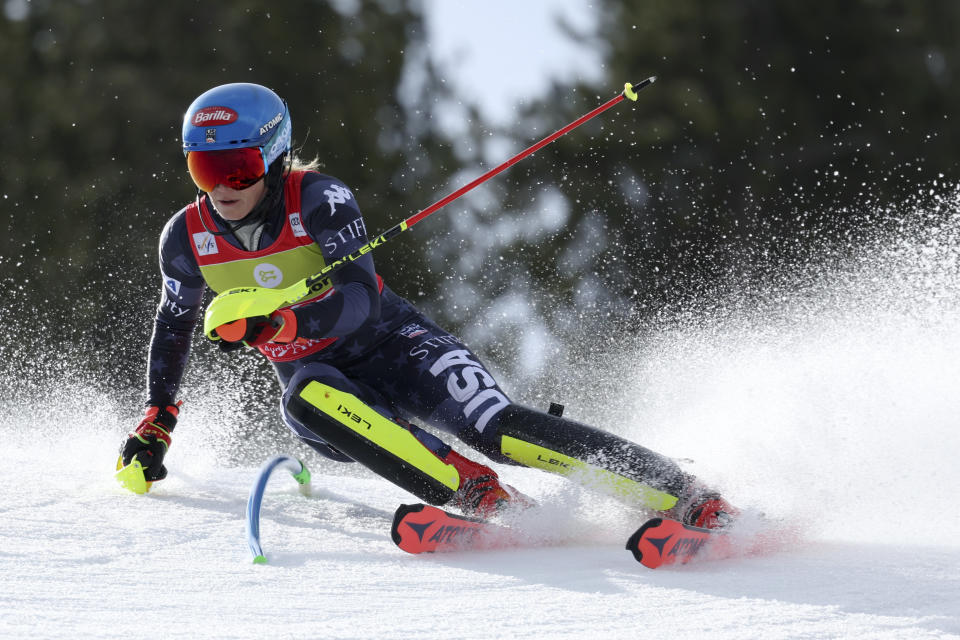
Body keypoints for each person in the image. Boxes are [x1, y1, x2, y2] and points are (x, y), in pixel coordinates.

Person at [118, 82, 738, 529]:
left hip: (398, 347)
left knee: (497, 429)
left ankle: (685, 496)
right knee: (305, 394)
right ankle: (479, 497)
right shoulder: (185, 236)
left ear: (274, 158)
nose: (223, 187)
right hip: (328, 394)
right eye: (205, 169)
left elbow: (359, 297)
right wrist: (158, 420)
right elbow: (173, 326)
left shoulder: (320, 199)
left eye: (238, 168)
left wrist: (284, 320)